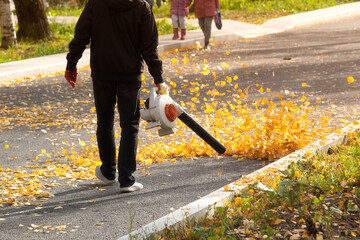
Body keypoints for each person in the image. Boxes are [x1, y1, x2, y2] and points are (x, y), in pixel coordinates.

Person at [64, 0, 168, 193]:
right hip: (129, 73)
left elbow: (81, 35)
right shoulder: (141, 7)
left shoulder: (96, 4)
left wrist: (71, 64)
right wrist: (158, 77)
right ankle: (127, 180)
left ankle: (108, 172)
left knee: (104, 120)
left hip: (102, 72)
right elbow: (149, 46)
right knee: (130, 124)